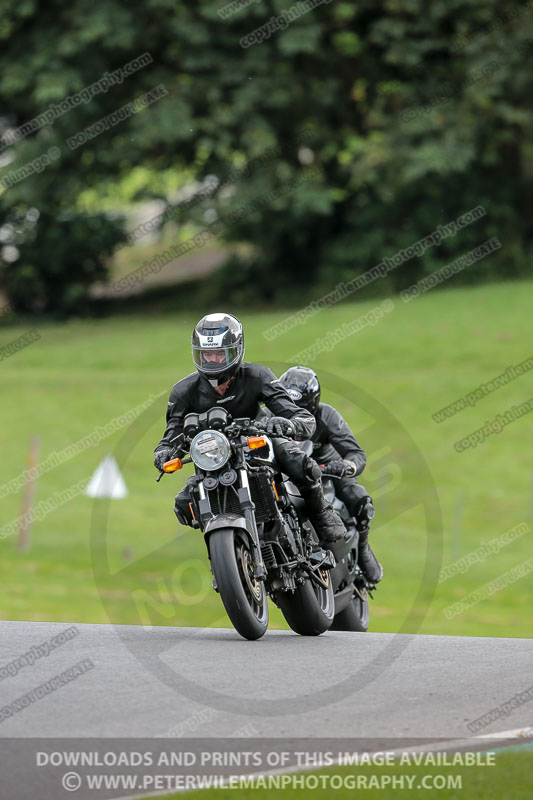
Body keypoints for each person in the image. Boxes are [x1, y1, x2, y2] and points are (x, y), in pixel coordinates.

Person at [153, 313, 345, 546]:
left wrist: (288, 424)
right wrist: (164, 452)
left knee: (299, 462)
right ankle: (224, 558)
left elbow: (301, 416)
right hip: (214, 454)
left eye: (219, 354)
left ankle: (322, 514)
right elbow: (171, 434)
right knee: (184, 503)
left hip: (259, 441)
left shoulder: (257, 376)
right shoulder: (183, 391)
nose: (213, 361)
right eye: (207, 355)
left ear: (236, 351)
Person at [278, 365, 383, 584]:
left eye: (302, 408)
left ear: (314, 403)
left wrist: (345, 466)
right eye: (289, 407)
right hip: (285, 471)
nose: (296, 415)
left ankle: (363, 547)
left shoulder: (327, 415)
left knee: (360, 499)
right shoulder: (269, 415)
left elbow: (356, 453)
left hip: (326, 468)